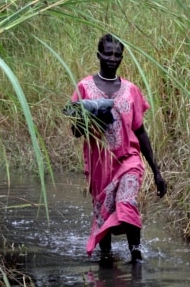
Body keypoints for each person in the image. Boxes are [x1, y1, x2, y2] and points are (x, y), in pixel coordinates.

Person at [71, 33, 167, 264]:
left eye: (117, 54)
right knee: (103, 211)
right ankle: (106, 255)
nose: (112, 58)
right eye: (108, 53)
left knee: (127, 202)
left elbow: (140, 131)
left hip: (129, 159)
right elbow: (75, 131)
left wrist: (156, 171)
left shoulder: (131, 90)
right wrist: (91, 114)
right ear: (98, 56)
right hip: (100, 164)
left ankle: (136, 254)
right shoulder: (84, 88)